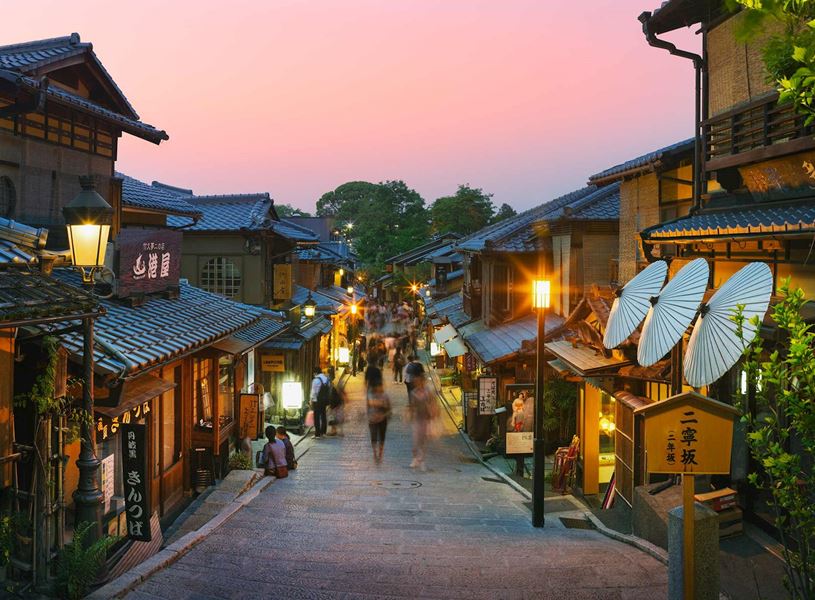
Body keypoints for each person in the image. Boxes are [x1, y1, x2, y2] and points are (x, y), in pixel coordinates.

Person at [408, 372, 437, 471]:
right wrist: (409, 415)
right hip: (417, 419)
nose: (418, 383)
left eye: (419, 381)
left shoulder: (428, 392)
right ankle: (416, 458)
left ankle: (422, 460)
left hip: (426, 419)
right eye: (416, 382)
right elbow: (412, 406)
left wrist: (433, 414)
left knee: (424, 441)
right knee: (416, 440)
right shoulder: (414, 393)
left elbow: (434, 404)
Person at [366, 374, 391, 463]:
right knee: (374, 438)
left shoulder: (385, 395)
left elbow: (389, 409)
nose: (380, 388)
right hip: (372, 420)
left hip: (382, 419)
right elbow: (369, 405)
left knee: (382, 438)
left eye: (381, 386)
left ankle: (380, 454)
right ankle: (375, 453)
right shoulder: (370, 395)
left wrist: (383, 414)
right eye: (379, 386)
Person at [309, 366, 331, 437]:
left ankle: (317, 433)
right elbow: (329, 388)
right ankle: (323, 432)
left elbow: (313, 392)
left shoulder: (316, 380)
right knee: (323, 416)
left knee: (317, 417)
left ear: (315, 372)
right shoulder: (326, 379)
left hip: (317, 400)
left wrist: (311, 400)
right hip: (324, 400)